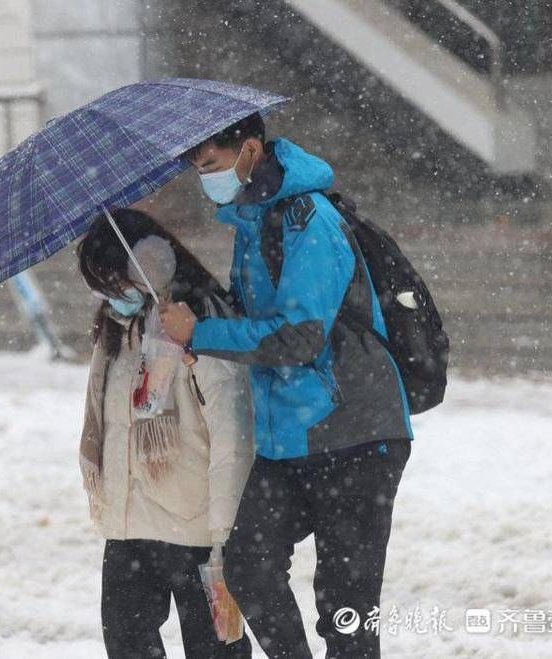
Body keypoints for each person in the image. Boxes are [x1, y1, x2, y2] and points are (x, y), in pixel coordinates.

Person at [159, 114, 413, 658]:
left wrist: (202, 332)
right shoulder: (254, 225)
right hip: (287, 438)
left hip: (355, 432)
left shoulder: (309, 222)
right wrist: (190, 319)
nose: (206, 179)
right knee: (249, 567)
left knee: (345, 613)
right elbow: (254, 317)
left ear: (249, 150)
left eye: (211, 165)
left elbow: (299, 339)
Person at [77, 208, 255, 659]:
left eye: (116, 285)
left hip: (196, 525)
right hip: (128, 522)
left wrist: (225, 528)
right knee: (126, 643)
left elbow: (232, 429)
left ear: (150, 265)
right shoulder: (115, 331)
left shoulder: (203, 321)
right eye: (100, 288)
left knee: (217, 649)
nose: (110, 298)